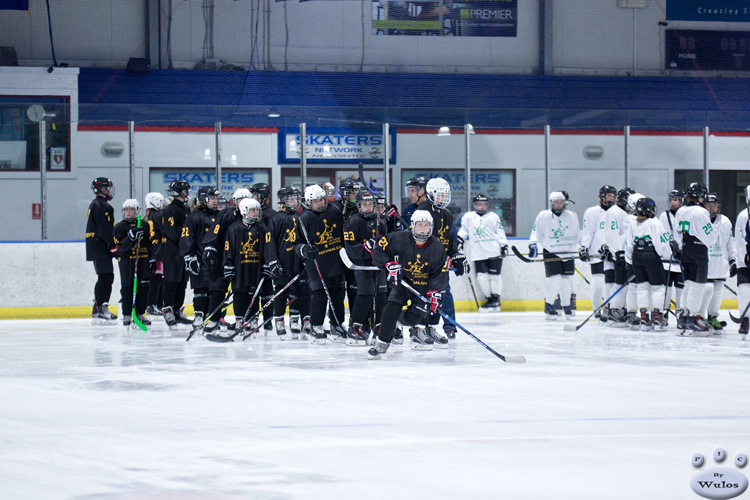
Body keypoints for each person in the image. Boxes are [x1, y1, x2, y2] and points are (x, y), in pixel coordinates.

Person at [368, 210, 448, 359]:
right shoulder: (399, 239)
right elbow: (378, 250)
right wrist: (388, 265)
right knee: (390, 310)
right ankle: (382, 342)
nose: (423, 228)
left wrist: (435, 293)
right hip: (402, 285)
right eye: (419, 225)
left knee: (411, 320)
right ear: (412, 226)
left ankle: (399, 322)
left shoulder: (437, 248)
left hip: (423, 290)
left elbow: (440, 273)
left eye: (426, 225)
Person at [294, 184, 347, 344]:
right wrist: (303, 249)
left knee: (338, 294)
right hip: (317, 263)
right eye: (316, 201)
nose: (320, 203)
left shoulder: (334, 211)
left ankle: (336, 324)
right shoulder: (305, 218)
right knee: (319, 295)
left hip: (336, 260)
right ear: (309, 203)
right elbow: (296, 242)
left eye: (321, 200)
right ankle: (316, 326)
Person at [419, 177, 467, 339]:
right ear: (431, 194)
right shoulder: (423, 212)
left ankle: (449, 325)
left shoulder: (447, 214)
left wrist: (456, 255)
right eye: (440, 195)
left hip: (441, 264)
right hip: (425, 263)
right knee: (426, 295)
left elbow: (450, 241)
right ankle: (423, 327)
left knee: (444, 293)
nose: (444, 199)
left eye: (445, 195)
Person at [201, 188, 252, 333]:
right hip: (222, 259)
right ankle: (213, 319)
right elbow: (214, 232)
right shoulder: (226, 215)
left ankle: (240, 320)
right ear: (235, 202)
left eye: (245, 200)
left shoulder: (253, 217)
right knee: (217, 289)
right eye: (239, 200)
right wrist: (210, 247)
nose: (242, 203)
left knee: (241, 292)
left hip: (244, 261)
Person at [344, 190, 388, 344]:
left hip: (378, 264)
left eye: (370, 204)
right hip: (362, 265)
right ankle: (355, 327)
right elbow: (349, 247)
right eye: (364, 204)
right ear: (359, 206)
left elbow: (386, 243)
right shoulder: (352, 222)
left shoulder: (381, 222)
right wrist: (366, 247)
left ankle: (378, 326)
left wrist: (381, 249)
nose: (368, 207)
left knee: (382, 293)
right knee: (365, 294)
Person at [529, 191, 582, 320]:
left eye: (561, 202)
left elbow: (577, 233)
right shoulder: (544, 215)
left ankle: (567, 306)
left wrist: (584, 246)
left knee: (566, 280)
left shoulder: (571, 216)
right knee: (555, 279)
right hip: (551, 251)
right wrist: (533, 244)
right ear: (551, 203)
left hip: (568, 252)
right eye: (556, 202)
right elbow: (536, 231)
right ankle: (549, 305)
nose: (559, 205)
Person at [672, 182, 717, 334]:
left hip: (685, 249)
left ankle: (684, 315)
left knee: (689, 284)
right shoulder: (701, 212)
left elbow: (676, 232)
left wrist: (678, 248)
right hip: (698, 250)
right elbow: (710, 235)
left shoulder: (681, 211)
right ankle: (693, 317)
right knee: (698, 285)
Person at [222, 198, 270, 338]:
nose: (256, 213)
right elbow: (228, 248)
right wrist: (228, 265)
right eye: (252, 210)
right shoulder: (234, 228)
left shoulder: (262, 227)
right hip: (240, 267)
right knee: (239, 295)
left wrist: (267, 262)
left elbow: (268, 247)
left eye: (257, 210)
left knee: (254, 294)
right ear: (244, 211)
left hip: (255, 267)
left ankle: (253, 320)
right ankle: (239, 320)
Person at [268, 187, 310, 339]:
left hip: (299, 261)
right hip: (283, 262)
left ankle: (302, 320)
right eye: (290, 199)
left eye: (295, 198)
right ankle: (279, 320)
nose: (294, 202)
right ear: (283, 201)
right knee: (280, 292)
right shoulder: (277, 218)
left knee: (303, 292)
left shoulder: (302, 216)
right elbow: (270, 241)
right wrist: (272, 260)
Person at [623, 198, 671, 331]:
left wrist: (630, 262)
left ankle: (644, 317)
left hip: (636, 257)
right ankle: (657, 316)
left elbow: (628, 245)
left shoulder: (634, 224)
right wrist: (666, 255)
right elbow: (662, 244)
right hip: (651, 256)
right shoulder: (655, 223)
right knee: (657, 287)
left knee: (642, 287)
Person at [457, 193, 507, 312]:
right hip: (478, 252)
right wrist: (459, 240)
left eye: (484, 204)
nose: (481, 206)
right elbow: (463, 230)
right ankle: (490, 299)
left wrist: (503, 245)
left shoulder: (494, 216)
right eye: (479, 204)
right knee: (482, 277)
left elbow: (500, 231)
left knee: (495, 277)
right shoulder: (469, 217)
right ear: (474, 205)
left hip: (494, 250)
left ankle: (496, 299)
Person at [180, 186, 219, 331]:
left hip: (215, 260)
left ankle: (211, 317)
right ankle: (199, 316)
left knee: (214, 290)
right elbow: (186, 236)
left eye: (216, 197)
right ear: (203, 199)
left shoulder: (219, 216)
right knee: (200, 289)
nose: (215, 201)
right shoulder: (195, 217)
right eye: (212, 198)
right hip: (199, 259)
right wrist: (189, 256)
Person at [113, 199, 153, 327]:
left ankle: (140, 313)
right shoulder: (119, 227)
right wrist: (130, 237)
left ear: (136, 211)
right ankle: (127, 314)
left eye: (131, 209)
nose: (128, 212)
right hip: (127, 261)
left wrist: (151, 259)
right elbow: (119, 248)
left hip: (142, 259)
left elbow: (149, 243)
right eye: (126, 209)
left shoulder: (144, 225)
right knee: (127, 287)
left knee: (143, 287)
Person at [86, 177, 118, 325]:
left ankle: (98, 307)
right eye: (108, 188)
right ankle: (101, 307)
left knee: (103, 277)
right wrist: (113, 246)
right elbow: (105, 230)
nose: (110, 191)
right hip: (100, 247)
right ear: (101, 189)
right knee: (106, 277)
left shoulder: (96, 204)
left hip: (96, 246)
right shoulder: (103, 206)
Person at [161, 180, 192, 330]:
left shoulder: (187, 209)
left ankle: (178, 310)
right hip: (172, 253)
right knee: (171, 282)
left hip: (183, 252)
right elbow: (172, 233)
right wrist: (186, 230)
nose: (188, 193)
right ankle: (168, 310)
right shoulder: (169, 210)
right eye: (186, 190)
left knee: (182, 283)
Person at [581, 185, 616, 321]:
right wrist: (584, 247)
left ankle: (609, 309)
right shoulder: (592, 212)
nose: (611, 199)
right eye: (609, 196)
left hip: (612, 253)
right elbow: (588, 232)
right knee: (598, 284)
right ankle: (596, 311)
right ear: (602, 197)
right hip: (597, 252)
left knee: (611, 284)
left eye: (613, 196)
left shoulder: (618, 212)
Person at [601, 187, 635, 326]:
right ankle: (615, 310)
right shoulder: (616, 212)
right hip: (620, 253)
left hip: (621, 252)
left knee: (623, 282)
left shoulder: (619, 212)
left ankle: (617, 310)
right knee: (621, 283)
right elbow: (613, 234)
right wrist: (617, 251)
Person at [703, 193, 736, 333]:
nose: (712, 208)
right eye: (709, 205)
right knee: (705, 291)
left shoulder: (725, 222)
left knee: (717, 292)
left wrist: (732, 260)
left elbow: (730, 242)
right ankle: (698, 316)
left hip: (720, 263)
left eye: (715, 206)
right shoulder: (700, 219)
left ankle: (713, 317)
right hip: (704, 263)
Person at [251, 182, 277, 335]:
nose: (253, 198)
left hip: (266, 257)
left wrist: (271, 259)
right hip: (252, 257)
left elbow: (273, 239)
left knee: (267, 290)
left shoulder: (271, 215)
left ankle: (268, 320)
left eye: (256, 195)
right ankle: (253, 319)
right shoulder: (249, 212)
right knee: (253, 290)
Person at [658, 189, 685, 326]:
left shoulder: (686, 214)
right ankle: (663, 313)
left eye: (676, 199)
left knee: (681, 290)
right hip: (666, 262)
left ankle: (681, 314)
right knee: (666, 290)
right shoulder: (664, 216)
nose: (673, 202)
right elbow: (661, 235)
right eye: (672, 199)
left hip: (681, 262)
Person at [143, 192, 165, 318]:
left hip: (150, 251)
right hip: (158, 250)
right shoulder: (158, 215)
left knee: (155, 278)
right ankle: (153, 304)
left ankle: (154, 304)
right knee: (157, 279)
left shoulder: (148, 216)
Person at [733, 185, 750, 338]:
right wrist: (743, 259)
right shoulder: (744, 216)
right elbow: (739, 241)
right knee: (744, 289)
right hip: (745, 262)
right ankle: (745, 319)